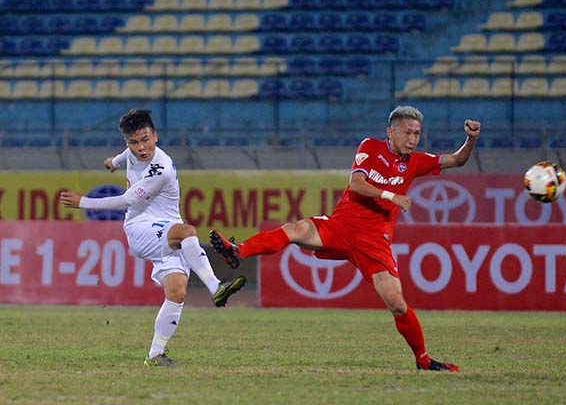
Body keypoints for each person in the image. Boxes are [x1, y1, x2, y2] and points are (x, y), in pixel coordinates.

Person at [210, 105, 481, 372]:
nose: (413, 139)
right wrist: (391, 196)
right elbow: (356, 184)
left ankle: (423, 360)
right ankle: (238, 251)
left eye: (417, 134)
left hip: (374, 240)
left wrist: (471, 138)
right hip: (341, 226)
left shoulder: (416, 161)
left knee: (396, 303)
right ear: (390, 132)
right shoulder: (370, 147)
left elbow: (457, 160)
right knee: (297, 229)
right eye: (407, 133)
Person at [59, 108, 246, 367]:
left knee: (177, 292)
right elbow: (126, 169)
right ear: (128, 142)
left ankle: (155, 355)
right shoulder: (133, 152)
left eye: (145, 140)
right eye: (134, 142)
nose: (141, 148)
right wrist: (113, 162)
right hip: (140, 228)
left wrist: (83, 202)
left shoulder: (161, 169)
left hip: (164, 229)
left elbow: (126, 199)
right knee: (187, 231)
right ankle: (215, 287)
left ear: (155, 137)